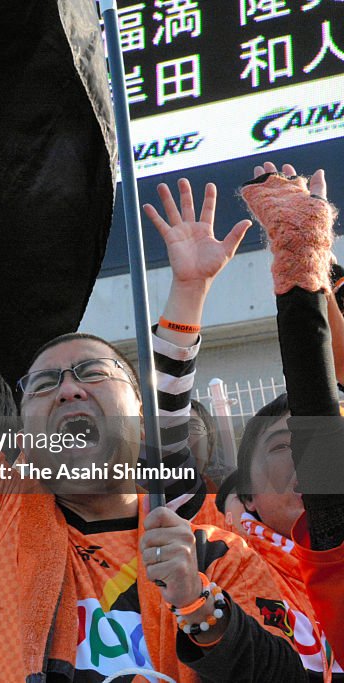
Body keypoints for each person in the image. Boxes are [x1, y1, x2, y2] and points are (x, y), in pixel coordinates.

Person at [0, 123, 307, 681]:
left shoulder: (213, 553)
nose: (69, 387)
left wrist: (198, 605)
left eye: (93, 373)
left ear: (137, 412)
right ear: (20, 435)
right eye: (44, 385)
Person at [238, 162, 344, 665]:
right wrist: (300, 255)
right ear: (245, 494)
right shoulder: (219, 558)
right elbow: (318, 417)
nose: (304, 461)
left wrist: (320, 262)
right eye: (282, 447)